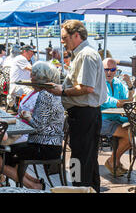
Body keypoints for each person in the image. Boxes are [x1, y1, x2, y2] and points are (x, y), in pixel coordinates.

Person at [46, 20, 107, 193]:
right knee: (86, 158)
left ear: (76, 36)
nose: (62, 41)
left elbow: (86, 88)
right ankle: (87, 189)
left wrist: (62, 92)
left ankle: (78, 189)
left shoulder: (85, 55)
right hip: (84, 113)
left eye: (65, 37)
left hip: (84, 113)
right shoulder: (82, 54)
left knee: (79, 159)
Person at [0, 61, 65, 190]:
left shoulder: (45, 95)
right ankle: (34, 182)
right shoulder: (53, 93)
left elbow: (38, 127)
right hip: (50, 145)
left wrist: (28, 116)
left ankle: (32, 186)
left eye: (33, 75)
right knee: (5, 152)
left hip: (45, 147)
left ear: (41, 77)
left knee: (3, 154)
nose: (30, 77)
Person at [100, 58, 133, 176]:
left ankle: (115, 161)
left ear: (116, 71)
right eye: (106, 70)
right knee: (130, 135)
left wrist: (130, 86)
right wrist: (127, 100)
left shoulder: (117, 83)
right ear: (101, 70)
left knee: (134, 133)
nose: (109, 72)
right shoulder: (99, 84)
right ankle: (112, 161)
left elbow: (129, 99)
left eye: (112, 70)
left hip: (117, 119)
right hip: (102, 120)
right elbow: (115, 102)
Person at [7, 45, 35, 111]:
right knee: (33, 93)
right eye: (31, 52)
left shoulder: (23, 59)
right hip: (17, 86)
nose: (33, 54)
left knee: (37, 91)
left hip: (22, 85)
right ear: (25, 51)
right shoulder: (20, 58)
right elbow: (32, 69)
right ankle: (27, 111)